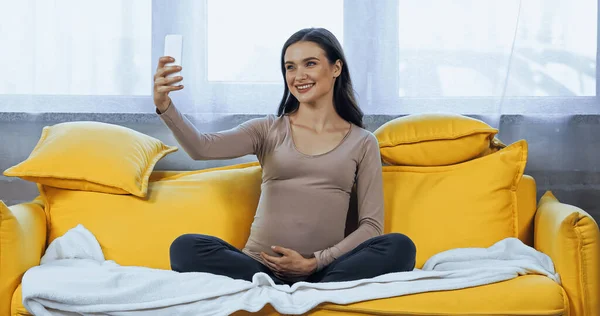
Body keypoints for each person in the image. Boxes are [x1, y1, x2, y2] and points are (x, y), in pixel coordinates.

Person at [153, 28, 416, 285]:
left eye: (309, 64)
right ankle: (291, 292)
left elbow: (371, 226)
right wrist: (166, 106)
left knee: (400, 247)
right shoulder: (267, 129)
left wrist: (315, 262)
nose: (298, 75)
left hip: (324, 270)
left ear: (336, 68)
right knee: (185, 247)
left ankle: (310, 291)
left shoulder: (362, 142)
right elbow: (202, 148)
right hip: (258, 268)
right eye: (290, 67)